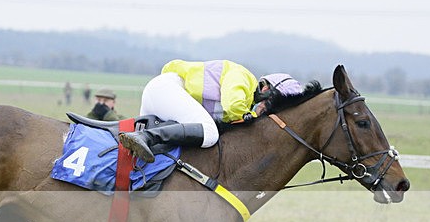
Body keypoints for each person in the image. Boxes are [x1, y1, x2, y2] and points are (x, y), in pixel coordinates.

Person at [118, 59, 301, 163]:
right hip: (167, 89)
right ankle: (146, 137)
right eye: (274, 103)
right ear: (266, 89)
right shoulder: (243, 77)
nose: (268, 110)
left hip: (164, 98)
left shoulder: (249, 98)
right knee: (209, 133)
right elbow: (233, 104)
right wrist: (250, 116)